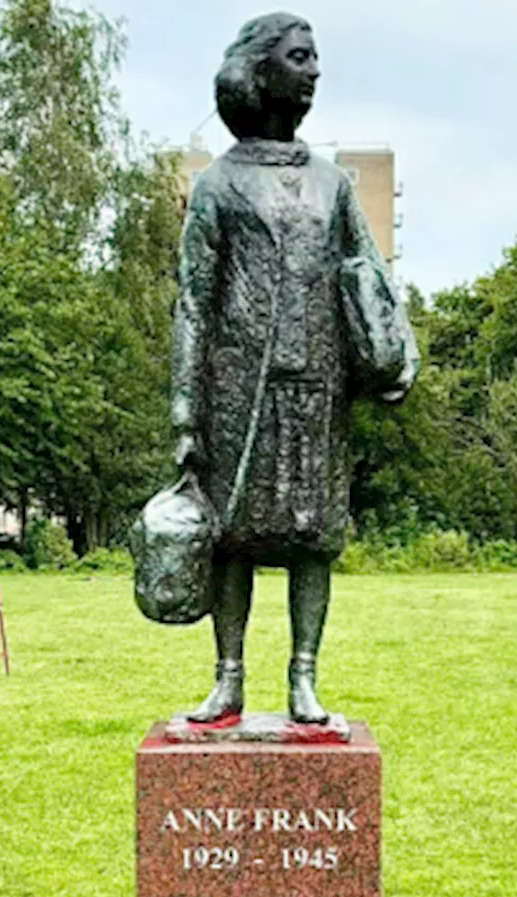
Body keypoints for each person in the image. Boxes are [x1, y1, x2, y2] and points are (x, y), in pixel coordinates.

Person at [173, 12, 418, 724]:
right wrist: (185, 415)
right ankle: (229, 675)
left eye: (315, 58)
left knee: (313, 537)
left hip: (317, 386)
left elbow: (370, 279)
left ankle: (304, 676)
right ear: (261, 68)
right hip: (234, 389)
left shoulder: (334, 185)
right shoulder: (218, 185)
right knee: (231, 538)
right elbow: (193, 302)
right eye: (299, 57)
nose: (313, 70)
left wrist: (392, 354)